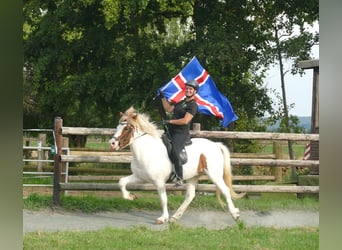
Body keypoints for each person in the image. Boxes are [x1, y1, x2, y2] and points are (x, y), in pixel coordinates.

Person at [159, 80, 199, 186]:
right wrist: (162, 97)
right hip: (171, 131)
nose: (188, 90)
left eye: (191, 89)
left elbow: (185, 121)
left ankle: (179, 177)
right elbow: (168, 108)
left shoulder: (193, 105)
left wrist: (169, 121)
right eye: (187, 88)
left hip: (181, 133)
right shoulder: (181, 102)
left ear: (195, 91)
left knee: (175, 152)